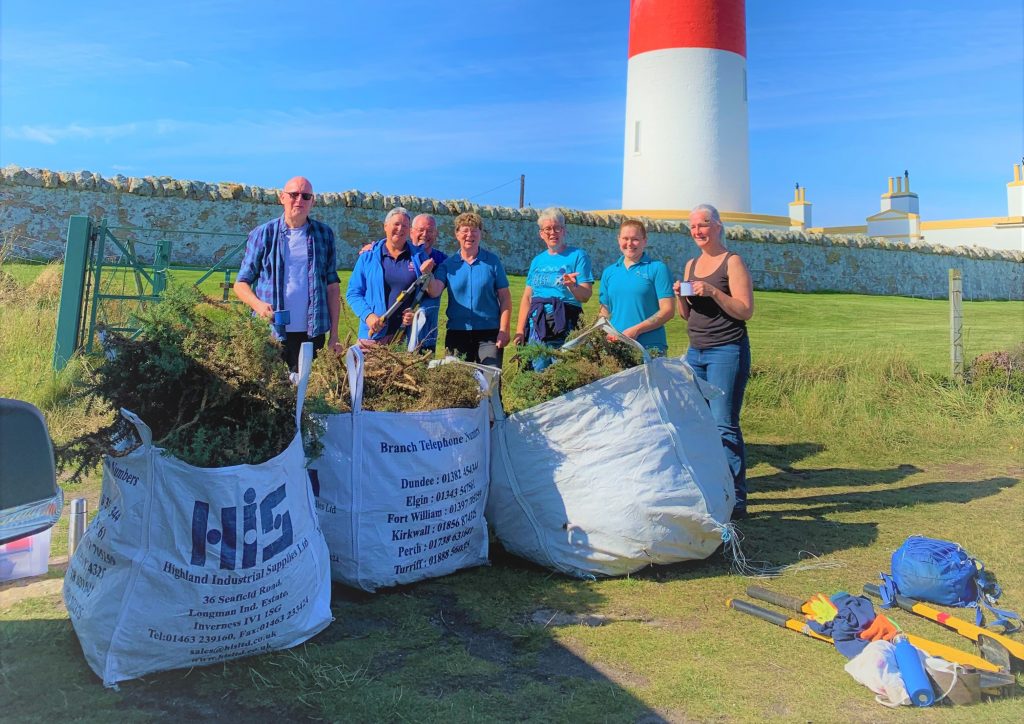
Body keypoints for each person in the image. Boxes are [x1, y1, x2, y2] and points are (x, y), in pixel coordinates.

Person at [673, 203, 754, 519]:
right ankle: (711, 490)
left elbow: (745, 309)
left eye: (703, 224)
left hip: (726, 350)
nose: (697, 231)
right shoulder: (691, 263)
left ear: (718, 226)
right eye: (692, 226)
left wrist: (713, 292)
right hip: (697, 351)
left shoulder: (732, 262)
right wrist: (681, 293)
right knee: (699, 423)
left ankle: (736, 498)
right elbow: (686, 315)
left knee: (723, 424)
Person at [234, 176, 341, 372]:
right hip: (272, 332)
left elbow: (332, 287)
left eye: (306, 196)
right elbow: (241, 283)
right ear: (282, 197)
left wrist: (334, 334)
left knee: (308, 393)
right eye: (294, 195)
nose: (299, 200)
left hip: (312, 332)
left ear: (312, 201)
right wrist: (258, 305)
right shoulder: (263, 234)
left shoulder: (324, 234)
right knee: (273, 392)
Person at [425, 212, 511, 367]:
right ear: (457, 234)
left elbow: (505, 298)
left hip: (489, 334)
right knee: (459, 385)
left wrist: (504, 330)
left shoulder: (492, 262)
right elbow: (435, 290)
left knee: (489, 382)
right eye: (465, 230)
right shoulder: (448, 265)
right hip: (457, 333)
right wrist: (428, 274)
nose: (469, 235)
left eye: (474, 230)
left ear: (480, 234)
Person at [346, 207, 435, 345]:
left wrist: (415, 313)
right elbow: (353, 293)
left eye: (405, 225)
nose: (400, 229)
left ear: (409, 230)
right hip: (371, 336)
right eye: (396, 224)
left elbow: (427, 294)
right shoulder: (368, 257)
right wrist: (368, 316)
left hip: (405, 339)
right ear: (385, 226)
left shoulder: (419, 257)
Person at [513, 208, 594, 354]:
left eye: (557, 228)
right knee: (536, 372)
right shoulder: (537, 260)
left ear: (564, 231)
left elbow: (586, 295)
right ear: (541, 234)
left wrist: (573, 286)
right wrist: (520, 330)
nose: (552, 233)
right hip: (537, 325)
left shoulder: (578, 256)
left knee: (563, 372)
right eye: (548, 229)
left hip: (566, 323)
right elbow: (527, 297)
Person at [598, 219, 674, 352]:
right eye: (625, 238)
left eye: (635, 239)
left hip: (650, 347)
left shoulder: (658, 269)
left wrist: (637, 330)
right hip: (616, 347)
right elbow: (604, 312)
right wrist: (602, 333)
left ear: (645, 241)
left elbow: (668, 311)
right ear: (618, 240)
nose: (629, 243)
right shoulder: (609, 272)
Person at [409, 213, 447, 353]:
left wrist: (427, 272)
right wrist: (374, 247)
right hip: (397, 330)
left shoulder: (442, 260)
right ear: (411, 231)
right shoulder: (401, 253)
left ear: (436, 233)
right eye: (420, 230)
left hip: (426, 334)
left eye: (430, 231)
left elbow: (434, 292)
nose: (425, 234)